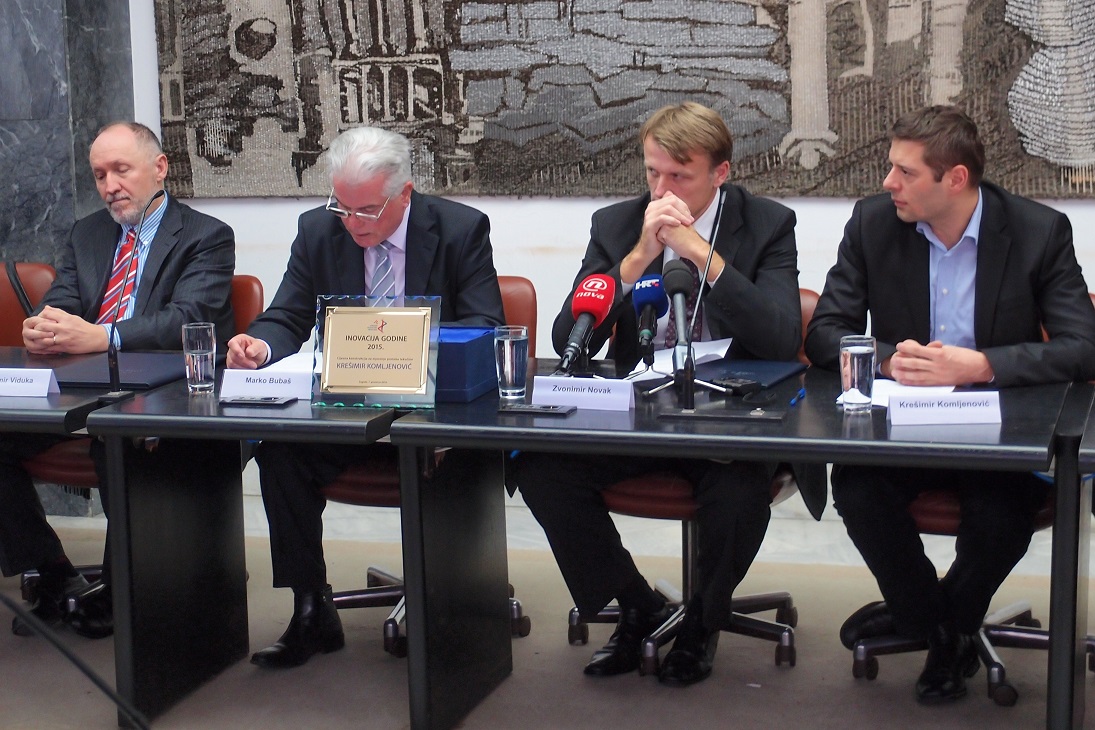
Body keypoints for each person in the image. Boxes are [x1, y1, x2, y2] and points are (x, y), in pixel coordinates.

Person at [515, 102, 822, 687]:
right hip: (642, 414)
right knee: (540, 467)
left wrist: (701, 253)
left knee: (738, 491)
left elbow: (783, 337)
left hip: (734, 419)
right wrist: (638, 259)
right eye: (653, 172)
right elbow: (569, 338)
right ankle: (637, 604)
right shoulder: (617, 225)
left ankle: (703, 623)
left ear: (720, 173)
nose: (662, 190)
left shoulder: (768, 225)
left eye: (679, 175)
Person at [804, 105, 1095, 704]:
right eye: (892, 167)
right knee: (857, 489)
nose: (889, 182)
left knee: (1001, 514)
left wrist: (983, 365)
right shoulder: (873, 224)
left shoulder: (1038, 231)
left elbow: (1082, 347)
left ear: (955, 179)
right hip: (903, 425)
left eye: (906, 172)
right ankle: (940, 627)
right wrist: (889, 359)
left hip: (999, 431)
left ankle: (932, 623)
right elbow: (825, 330)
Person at [227, 126, 505, 669]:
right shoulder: (317, 229)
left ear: (404, 193)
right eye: (343, 207)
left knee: (440, 464)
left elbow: (484, 326)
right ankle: (311, 606)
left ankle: (450, 603)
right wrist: (260, 345)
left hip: (430, 417)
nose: (353, 222)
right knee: (279, 452)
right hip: (348, 413)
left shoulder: (459, 229)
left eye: (367, 210)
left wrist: (407, 349)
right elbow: (287, 314)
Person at [1, 121, 236, 639]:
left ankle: (120, 586)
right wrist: (42, 325)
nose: (110, 186)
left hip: (165, 391)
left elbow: (188, 318)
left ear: (160, 168)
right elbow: (62, 302)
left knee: (119, 439)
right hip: (81, 385)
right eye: (100, 175)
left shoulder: (206, 236)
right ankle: (52, 572)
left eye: (121, 170)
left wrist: (103, 336)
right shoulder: (87, 233)